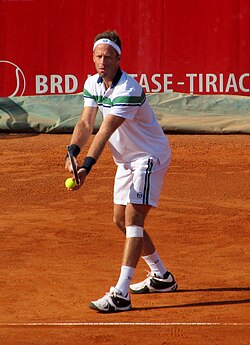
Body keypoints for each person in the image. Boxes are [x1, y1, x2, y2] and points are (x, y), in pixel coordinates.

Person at [65, 30, 177, 313]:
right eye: (98, 56)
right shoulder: (93, 83)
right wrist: (73, 152)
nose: (103, 61)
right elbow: (85, 123)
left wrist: (87, 167)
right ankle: (161, 276)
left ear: (118, 58)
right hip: (126, 160)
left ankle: (121, 294)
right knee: (120, 220)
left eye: (108, 57)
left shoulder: (128, 89)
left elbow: (104, 130)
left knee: (133, 218)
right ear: (93, 58)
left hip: (149, 157)